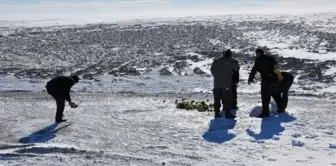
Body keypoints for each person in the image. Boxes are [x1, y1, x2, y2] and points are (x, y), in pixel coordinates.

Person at [248, 49, 283, 118]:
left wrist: (250, 79)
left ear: (259, 53)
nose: (256, 55)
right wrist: (279, 78)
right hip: (274, 79)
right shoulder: (271, 58)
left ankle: (265, 113)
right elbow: (276, 68)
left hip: (266, 80)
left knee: (265, 97)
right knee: (276, 94)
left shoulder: (258, 60)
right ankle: (281, 109)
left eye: (256, 53)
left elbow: (254, 70)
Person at [211, 49, 240, 119]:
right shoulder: (231, 61)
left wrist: (217, 76)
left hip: (216, 84)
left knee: (217, 100)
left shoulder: (216, 61)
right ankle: (227, 114)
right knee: (227, 99)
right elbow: (237, 68)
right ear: (230, 55)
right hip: (226, 84)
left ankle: (217, 113)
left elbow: (212, 71)